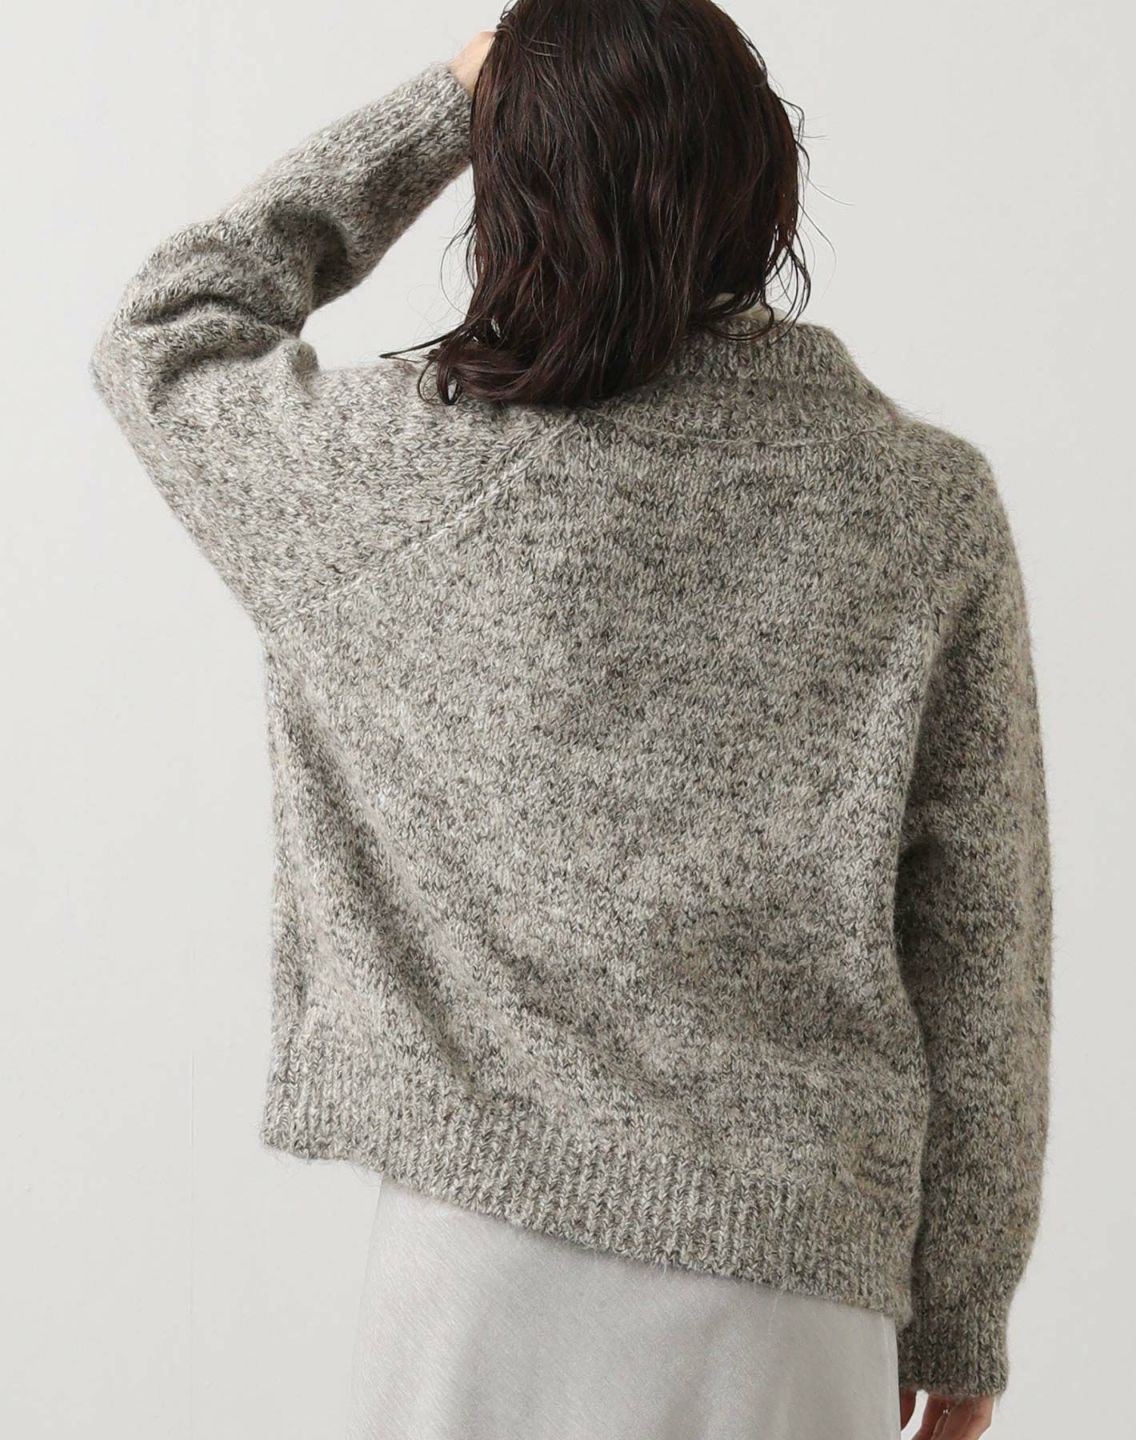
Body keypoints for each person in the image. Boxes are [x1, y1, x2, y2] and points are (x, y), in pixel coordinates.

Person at [89, 3, 1053, 1438]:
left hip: (479, 1271)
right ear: (759, 175)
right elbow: (980, 940)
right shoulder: (922, 506)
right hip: (793, 1290)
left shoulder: (393, 476)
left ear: (512, 189)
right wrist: (964, 1312)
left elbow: (169, 328)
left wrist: (449, 99)